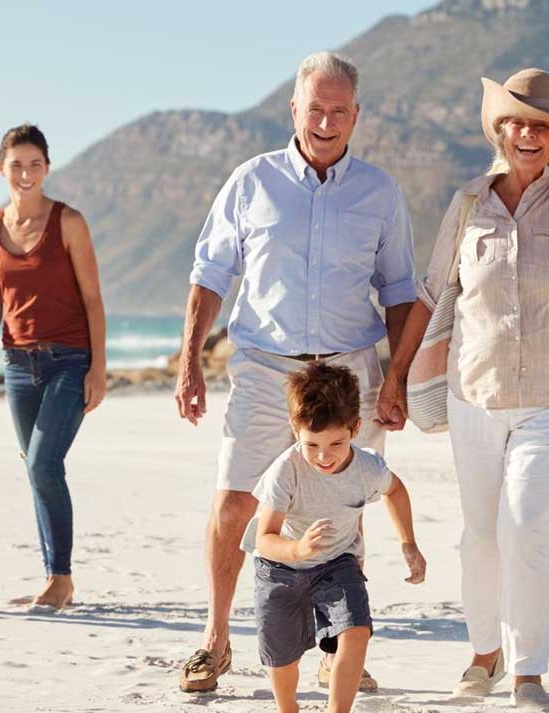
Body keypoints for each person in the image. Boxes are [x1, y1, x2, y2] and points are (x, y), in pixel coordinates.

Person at [377, 68, 549, 711]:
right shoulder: (469, 203)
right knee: (479, 534)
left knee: (524, 526)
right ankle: (483, 655)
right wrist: (396, 374)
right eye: (515, 122)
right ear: (499, 130)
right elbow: (431, 292)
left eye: (543, 124)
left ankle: (528, 672)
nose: (527, 134)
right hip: (476, 390)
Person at [174, 51, 420, 693]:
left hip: (350, 367)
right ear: (295, 109)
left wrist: (395, 381)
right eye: (317, 108)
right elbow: (210, 275)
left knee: (347, 506)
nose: (328, 121)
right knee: (234, 503)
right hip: (264, 367)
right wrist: (189, 361)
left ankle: (336, 647)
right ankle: (215, 639)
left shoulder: (380, 192)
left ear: (356, 115)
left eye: (341, 110)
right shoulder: (251, 181)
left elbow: (398, 290)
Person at [0, 124, 109, 612]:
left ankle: (60, 578)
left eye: (35, 164)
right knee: (36, 469)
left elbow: (92, 299)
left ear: (47, 168)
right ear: (1, 168)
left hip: (69, 360)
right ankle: (54, 576)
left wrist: (99, 369)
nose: (26, 174)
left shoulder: (68, 222)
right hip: (17, 365)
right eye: (16, 165)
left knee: (45, 464)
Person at [250, 363, 425, 713]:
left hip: (337, 562)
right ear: (295, 429)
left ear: (355, 428)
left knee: (356, 630)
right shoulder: (286, 470)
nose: (323, 456)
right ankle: (288, 709)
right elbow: (264, 539)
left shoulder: (367, 468)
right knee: (282, 656)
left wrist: (408, 542)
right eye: (311, 444)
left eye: (336, 443)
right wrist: (297, 549)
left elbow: (395, 490)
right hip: (280, 568)